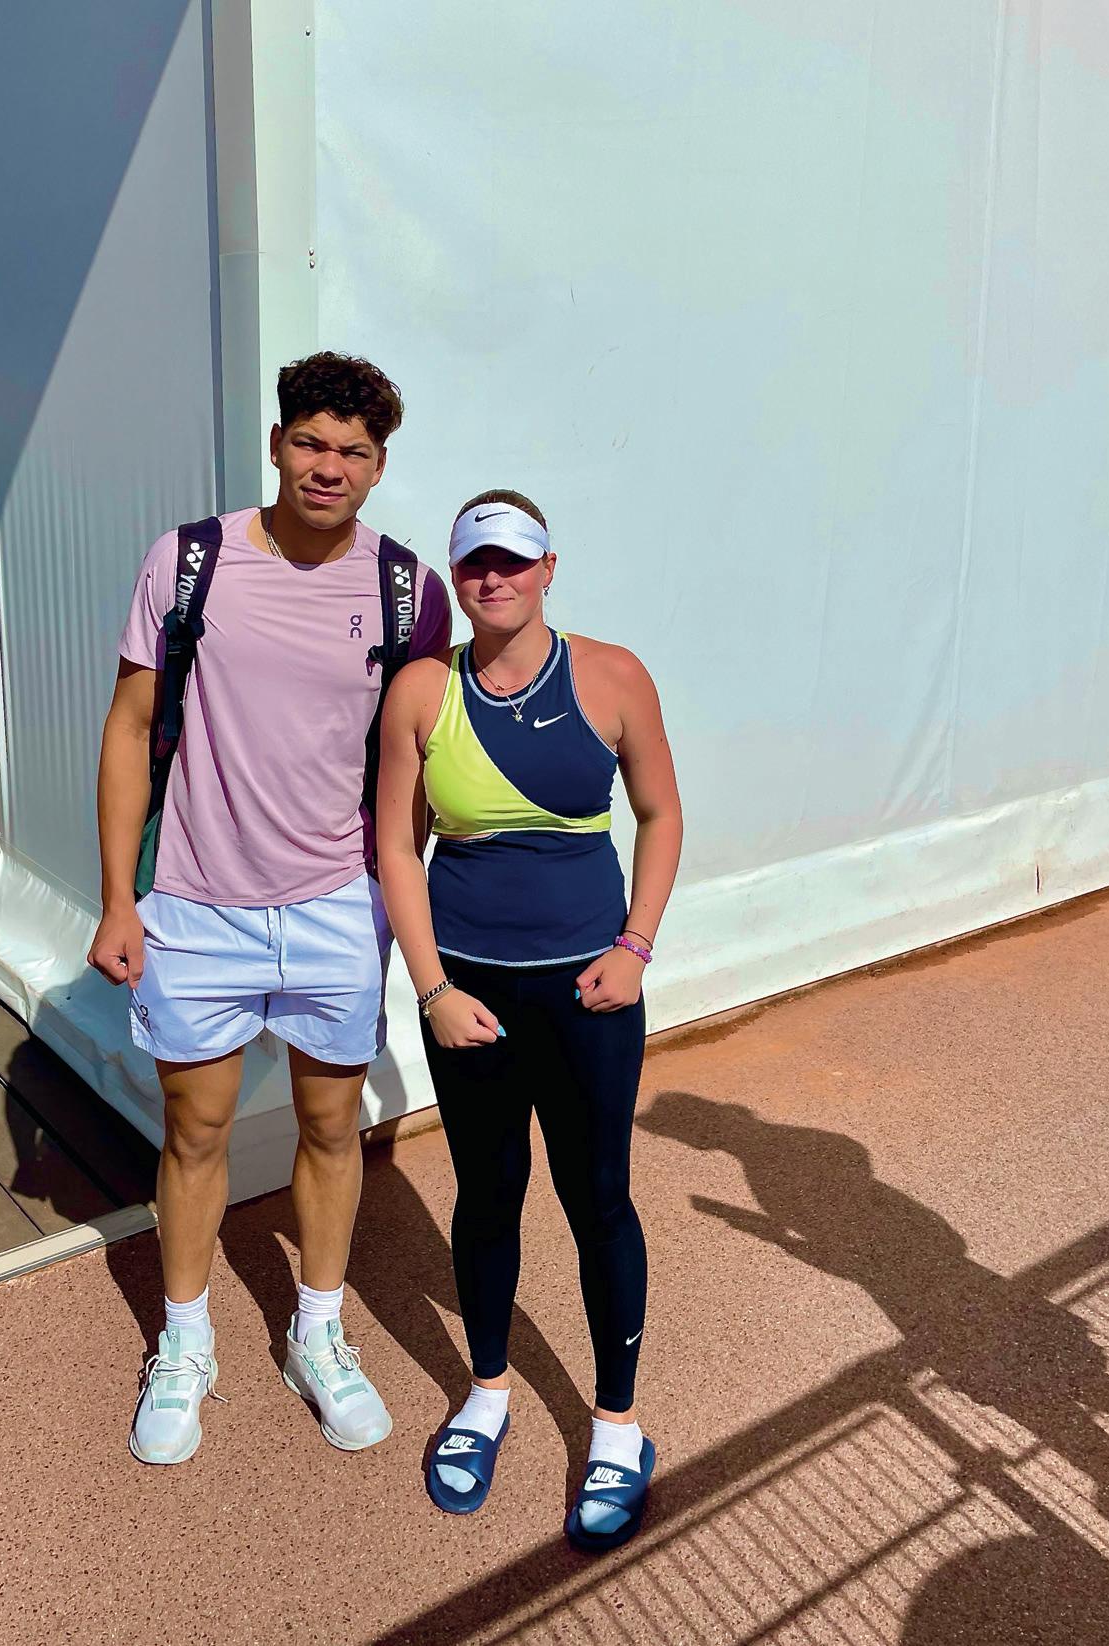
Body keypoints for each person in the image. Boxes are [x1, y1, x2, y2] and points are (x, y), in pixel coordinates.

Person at [88, 353, 451, 1465]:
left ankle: (317, 1333)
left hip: (336, 907)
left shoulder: (408, 589)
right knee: (195, 1132)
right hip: (196, 907)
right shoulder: (188, 561)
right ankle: (184, 1342)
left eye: (352, 452)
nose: (327, 467)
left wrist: (395, 902)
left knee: (333, 1129)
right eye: (310, 443)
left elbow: (416, 762)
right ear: (277, 444)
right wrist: (117, 898)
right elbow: (128, 729)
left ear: (379, 467)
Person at [375, 491, 682, 1551]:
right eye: (475, 564)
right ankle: (488, 1390)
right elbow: (395, 847)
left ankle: (617, 1424)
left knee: (598, 1197)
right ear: (455, 577)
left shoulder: (613, 676)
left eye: (513, 560)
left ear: (549, 567)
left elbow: (660, 813)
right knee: (487, 1194)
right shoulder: (423, 689)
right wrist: (431, 991)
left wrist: (634, 947)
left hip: (588, 997)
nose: (493, 578)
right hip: (471, 999)